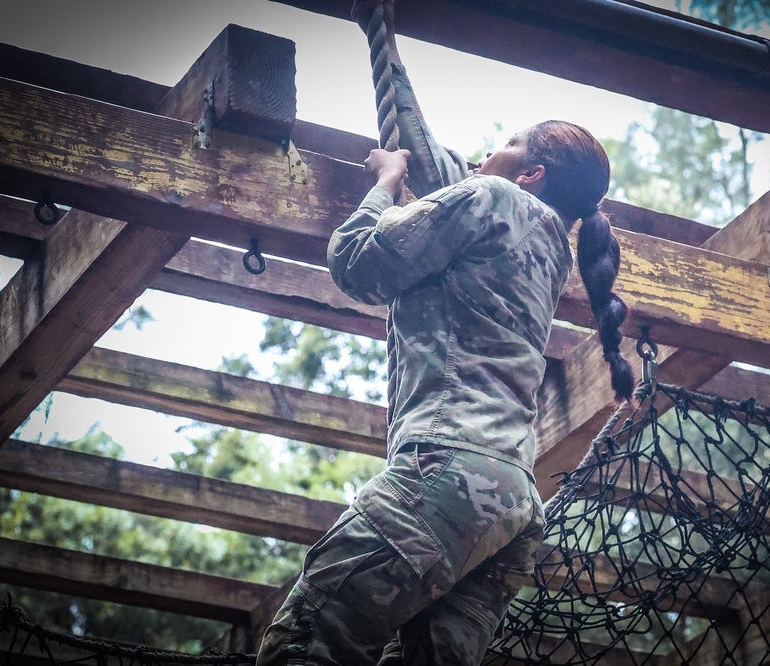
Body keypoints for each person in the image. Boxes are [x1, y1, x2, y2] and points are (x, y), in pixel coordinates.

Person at [255, 2, 633, 664]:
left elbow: (357, 265)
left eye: (505, 143)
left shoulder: (492, 201)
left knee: (304, 642)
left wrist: (384, 185)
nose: (489, 152)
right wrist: (380, 29)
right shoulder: (547, 247)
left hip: (449, 473)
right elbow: (434, 156)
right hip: (512, 502)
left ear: (531, 172)